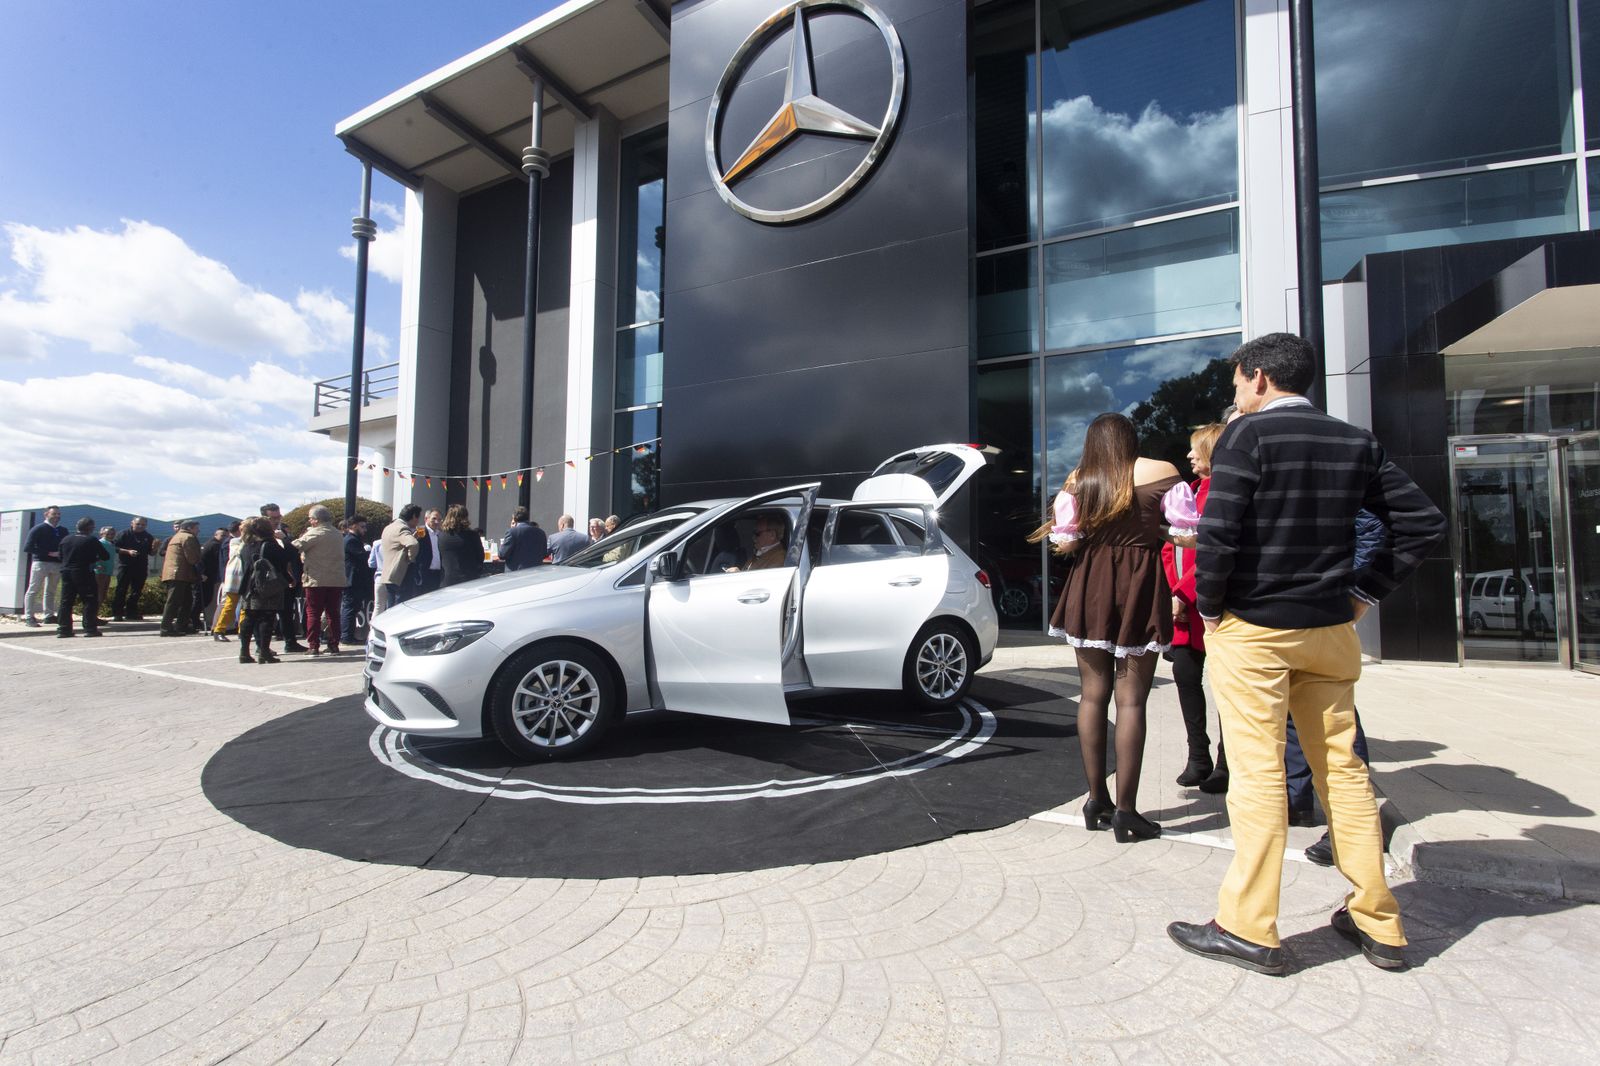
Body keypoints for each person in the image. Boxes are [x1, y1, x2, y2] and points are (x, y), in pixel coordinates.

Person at [1168, 333, 1446, 976]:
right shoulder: (1354, 440)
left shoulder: (1247, 437)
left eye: (1237, 382)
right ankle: (1378, 919)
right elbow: (1423, 522)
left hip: (1255, 628)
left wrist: (1210, 606)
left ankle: (1248, 927)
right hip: (1329, 630)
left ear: (1259, 377)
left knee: (1258, 772)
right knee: (1343, 773)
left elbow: (1221, 530)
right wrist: (1366, 592)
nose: (1235, 393)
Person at [1032, 412, 1195, 844]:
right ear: (1131, 437)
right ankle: (1126, 812)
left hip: (1091, 585)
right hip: (1140, 581)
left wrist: (1088, 534)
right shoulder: (1162, 472)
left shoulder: (1079, 479)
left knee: (1092, 694)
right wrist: (1153, 529)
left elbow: (1065, 542)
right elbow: (1186, 535)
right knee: (1132, 701)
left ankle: (1094, 799)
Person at [1161, 423, 1225, 788]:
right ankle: (1197, 756)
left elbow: (1212, 556)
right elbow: (1172, 548)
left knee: (1225, 690)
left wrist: (1181, 594)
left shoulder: (1223, 495)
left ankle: (1225, 763)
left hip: (1213, 608)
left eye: (1194, 449)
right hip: (1184, 610)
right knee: (1186, 679)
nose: (1188, 456)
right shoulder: (1189, 493)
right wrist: (1173, 591)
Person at [293, 505, 347, 656]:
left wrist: (283, 539)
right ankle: (334, 644)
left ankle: (313, 645)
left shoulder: (316, 533)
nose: (309, 521)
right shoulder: (338, 534)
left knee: (313, 613)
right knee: (333, 613)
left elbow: (296, 546)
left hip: (316, 579)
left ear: (316, 520)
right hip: (336, 578)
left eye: (310, 518)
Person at [237, 516, 292, 664]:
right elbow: (287, 557)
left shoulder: (246, 546)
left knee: (248, 619)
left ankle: (244, 652)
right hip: (268, 587)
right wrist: (284, 539)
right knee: (267, 619)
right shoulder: (270, 545)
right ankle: (264, 652)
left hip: (249, 587)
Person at [55, 517, 111, 638]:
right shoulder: (91, 540)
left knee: (66, 601)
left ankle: (64, 629)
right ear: (90, 528)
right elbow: (105, 556)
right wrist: (94, 559)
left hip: (66, 572)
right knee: (89, 600)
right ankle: (90, 628)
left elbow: (60, 556)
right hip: (83, 572)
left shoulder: (66, 539)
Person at [261, 504, 306, 652]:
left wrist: (285, 539)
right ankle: (262, 647)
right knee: (265, 615)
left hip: (285, 579)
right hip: (267, 581)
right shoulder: (260, 536)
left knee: (286, 611)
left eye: (278, 516)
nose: (276, 520)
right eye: (272, 518)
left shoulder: (283, 534)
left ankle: (290, 642)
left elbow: (293, 554)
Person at [22, 505, 66, 627]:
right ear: (46, 514)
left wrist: (60, 555)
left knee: (51, 591)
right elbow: (28, 547)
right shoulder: (38, 529)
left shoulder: (62, 530)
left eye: (58, 514)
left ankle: (49, 615)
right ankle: (29, 616)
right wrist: (48, 553)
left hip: (56, 564)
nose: (57, 516)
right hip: (41, 563)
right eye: (54, 514)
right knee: (33, 589)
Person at [158, 520, 202, 637]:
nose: (198, 530)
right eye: (197, 528)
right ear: (190, 528)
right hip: (179, 574)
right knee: (174, 601)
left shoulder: (177, 536)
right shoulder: (188, 537)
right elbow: (192, 558)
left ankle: (181, 625)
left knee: (186, 601)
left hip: (177, 573)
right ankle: (166, 627)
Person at [111, 517, 155, 621]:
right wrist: (128, 552)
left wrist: (155, 548)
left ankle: (131, 612)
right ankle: (118, 613)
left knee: (136, 591)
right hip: (125, 566)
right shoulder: (124, 534)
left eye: (143, 525)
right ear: (132, 523)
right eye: (138, 524)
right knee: (121, 589)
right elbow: (115, 548)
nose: (140, 526)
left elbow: (151, 553)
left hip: (141, 566)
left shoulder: (148, 536)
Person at [380, 504, 423, 606]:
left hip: (388, 573)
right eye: (418, 518)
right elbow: (413, 543)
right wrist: (410, 559)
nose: (418, 521)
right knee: (400, 606)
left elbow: (398, 546)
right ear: (413, 516)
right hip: (401, 574)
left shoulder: (388, 527)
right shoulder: (402, 528)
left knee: (390, 605)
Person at [213, 525, 248, 643]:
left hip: (246, 577)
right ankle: (219, 630)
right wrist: (246, 539)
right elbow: (239, 552)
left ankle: (242, 631)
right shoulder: (234, 541)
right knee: (230, 605)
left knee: (245, 606)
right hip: (235, 578)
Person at [341, 516, 373, 646]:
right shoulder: (350, 540)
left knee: (353, 607)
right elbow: (361, 556)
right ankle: (346, 636)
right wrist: (368, 551)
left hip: (356, 579)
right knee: (350, 607)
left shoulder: (354, 540)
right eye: (362, 526)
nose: (364, 530)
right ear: (353, 526)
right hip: (352, 579)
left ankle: (348, 635)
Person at [437, 504, 486, 587]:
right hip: (468, 578)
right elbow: (480, 556)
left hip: (447, 579)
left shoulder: (441, 536)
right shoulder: (472, 535)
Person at [196, 527, 228, 634]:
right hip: (207, 576)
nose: (224, 538)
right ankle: (194, 619)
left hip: (209, 575)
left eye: (225, 535)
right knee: (203, 599)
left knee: (205, 599)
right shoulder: (215, 545)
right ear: (215, 535)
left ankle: (194, 619)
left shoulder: (212, 543)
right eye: (222, 535)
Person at [411, 508, 444, 595]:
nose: (437, 521)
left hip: (437, 574)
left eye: (439, 519)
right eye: (434, 518)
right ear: (426, 519)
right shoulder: (421, 531)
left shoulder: (441, 533)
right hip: (423, 573)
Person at [93, 526, 117, 620]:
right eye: (107, 534)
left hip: (108, 571)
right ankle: (92, 616)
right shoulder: (100, 543)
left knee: (103, 594)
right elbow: (93, 554)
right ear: (102, 534)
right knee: (98, 593)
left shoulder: (111, 544)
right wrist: (96, 564)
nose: (110, 536)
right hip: (100, 571)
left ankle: (95, 615)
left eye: (112, 534)